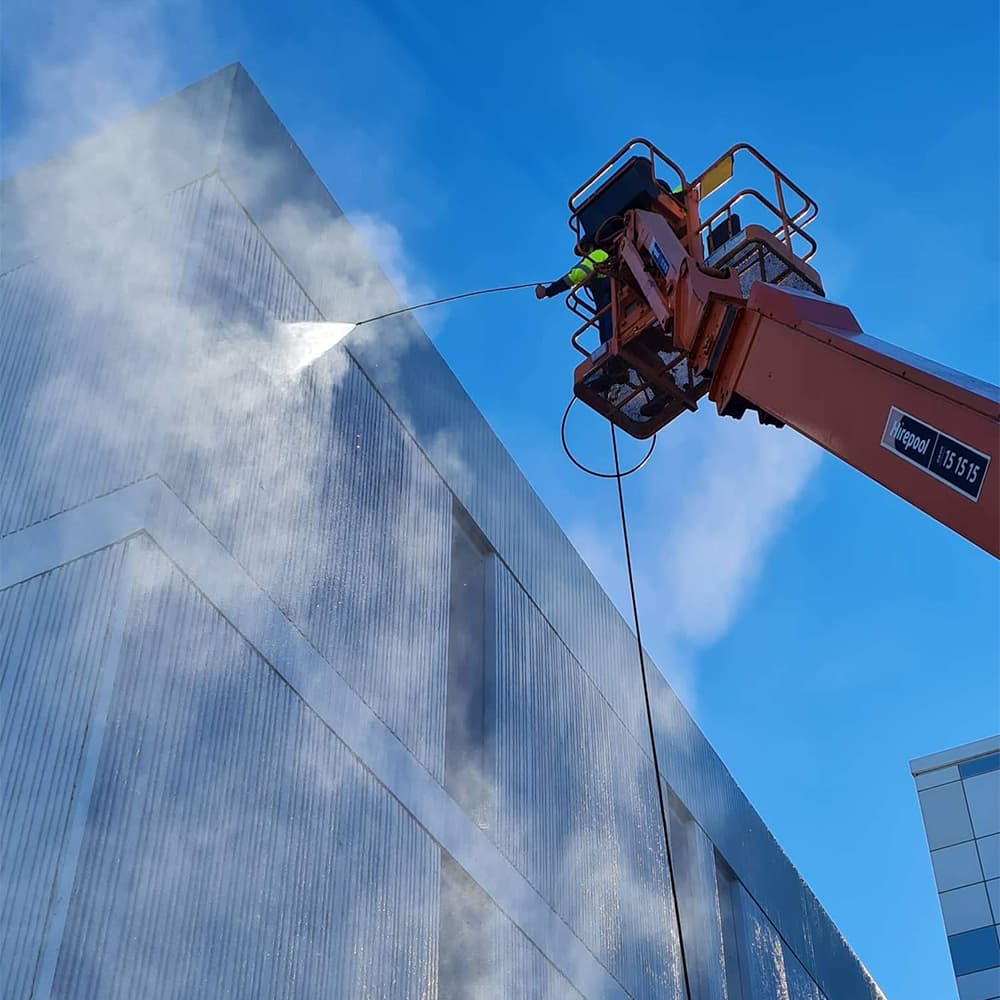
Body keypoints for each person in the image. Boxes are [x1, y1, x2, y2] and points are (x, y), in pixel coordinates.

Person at [535, 241, 614, 343]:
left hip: (608, 298)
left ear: (590, 247)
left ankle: (609, 342)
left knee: (606, 318)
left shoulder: (598, 254)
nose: (583, 255)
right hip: (611, 295)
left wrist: (548, 291)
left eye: (584, 250)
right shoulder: (605, 256)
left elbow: (577, 275)